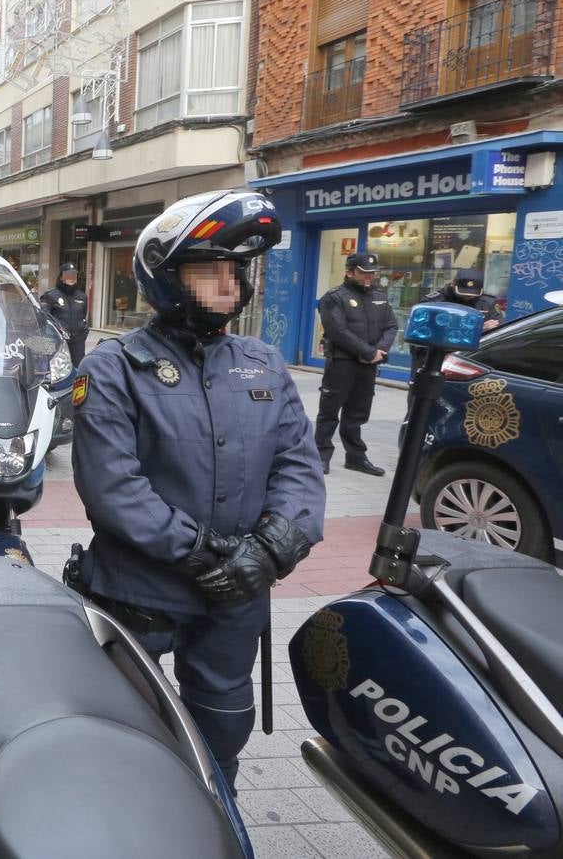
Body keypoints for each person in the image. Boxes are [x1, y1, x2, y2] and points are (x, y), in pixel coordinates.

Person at [68, 190, 325, 793]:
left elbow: (299, 466)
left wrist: (270, 551)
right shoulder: (112, 367)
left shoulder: (264, 363)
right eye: (210, 270)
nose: (229, 284)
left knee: (223, 726)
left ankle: (219, 812)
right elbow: (113, 486)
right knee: (126, 730)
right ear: (166, 279)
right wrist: (206, 554)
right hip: (140, 591)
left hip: (238, 596)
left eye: (235, 270)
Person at [314, 253, 398, 476]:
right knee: (329, 412)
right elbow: (337, 331)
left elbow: (391, 326)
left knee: (357, 414)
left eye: (372, 273)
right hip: (342, 363)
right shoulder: (333, 298)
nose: (369, 277)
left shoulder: (380, 296)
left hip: (369, 365)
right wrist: (367, 352)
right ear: (349, 272)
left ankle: (356, 458)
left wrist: (379, 352)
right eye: (363, 273)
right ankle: (320, 456)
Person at [410, 267, 502, 380]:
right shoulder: (433, 302)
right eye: (463, 293)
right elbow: (425, 334)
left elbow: (497, 331)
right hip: (433, 359)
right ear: (453, 284)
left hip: (471, 361)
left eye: (473, 294)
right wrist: (478, 329)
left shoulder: (488, 303)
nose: (468, 297)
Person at [41, 262, 89, 367]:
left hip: (78, 343)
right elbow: (43, 318)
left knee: (78, 369)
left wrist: (83, 331)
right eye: (68, 275)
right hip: (59, 341)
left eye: (73, 275)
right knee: (58, 369)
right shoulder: (51, 295)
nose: (71, 278)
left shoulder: (82, 296)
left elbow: (83, 316)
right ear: (61, 277)